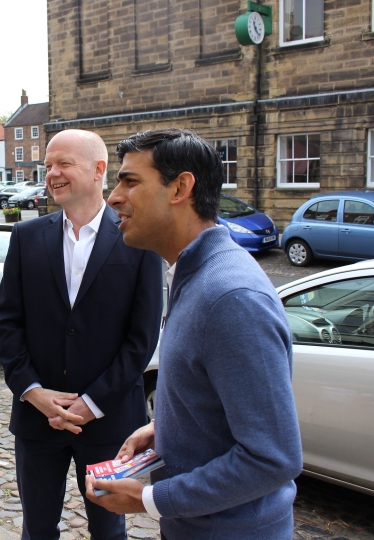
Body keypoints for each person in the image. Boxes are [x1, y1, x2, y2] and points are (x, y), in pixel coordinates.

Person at [88, 128, 302, 539]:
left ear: (180, 187)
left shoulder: (230, 296)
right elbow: (213, 394)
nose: (113, 196)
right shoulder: (192, 273)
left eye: (130, 181)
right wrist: (164, 428)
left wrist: (148, 500)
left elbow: (272, 458)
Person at [0, 129, 163, 540]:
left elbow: (141, 339)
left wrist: (91, 403)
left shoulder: (138, 241)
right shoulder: (26, 237)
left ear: (98, 169)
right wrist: (33, 391)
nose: (52, 173)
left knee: (109, 531)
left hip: (110, 425)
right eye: (49, 165)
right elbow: (7, 322)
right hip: (38, 420)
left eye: (63, 163)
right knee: (37, 529)